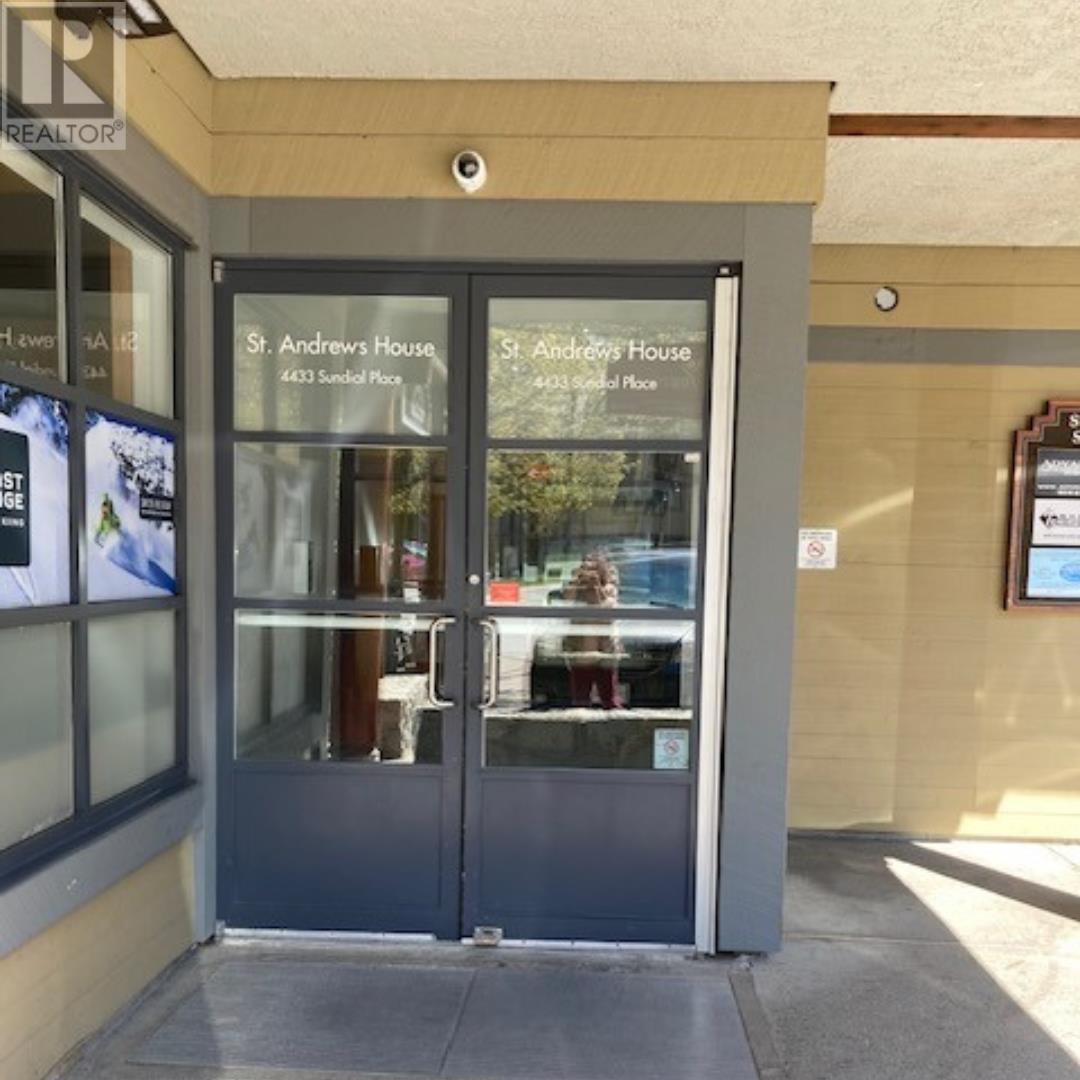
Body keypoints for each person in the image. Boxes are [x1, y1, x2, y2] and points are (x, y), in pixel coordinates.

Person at [562, 551, 623, 709]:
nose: (590, 574)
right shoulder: (576, 588)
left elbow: (607, 612)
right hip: (580, 650)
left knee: (609, 698)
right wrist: (577, 582)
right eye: (587, 569)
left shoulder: (609, 589)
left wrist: (596, 587)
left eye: (594, 569)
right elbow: (566, 601)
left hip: (604, 651)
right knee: (579, 698)